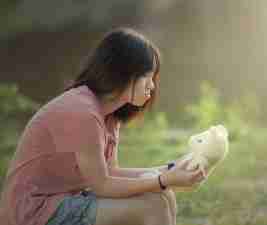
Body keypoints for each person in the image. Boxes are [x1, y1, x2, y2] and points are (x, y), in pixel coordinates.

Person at [0, 27, 206, 225]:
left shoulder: (110, 115)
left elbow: (110, 172)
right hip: (32, 212)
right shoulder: (83, 112)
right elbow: (102, 185)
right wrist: (164, 179)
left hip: (62, 201)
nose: (152, 85)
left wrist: (169, 170)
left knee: (163, 196)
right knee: (153, 206)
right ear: (125, 73)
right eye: (148, 76)